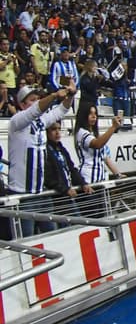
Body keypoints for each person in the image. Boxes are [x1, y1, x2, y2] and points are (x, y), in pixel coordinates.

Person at [6, 85, 76, 238]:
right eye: (32, 100)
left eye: (38, 98)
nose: (37, 101)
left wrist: (71, 94)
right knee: (27, 241)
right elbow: (35, 110)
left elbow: (61, 110)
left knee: (52, 236)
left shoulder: (40, 122)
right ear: (22, 105)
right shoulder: (17, 121)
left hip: (42, 193)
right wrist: (54, 96)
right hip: (23, 196)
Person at [44, 121, 91, 227]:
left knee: (78, 225)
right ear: (46, 132)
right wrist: (65, 189)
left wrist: (83, 183)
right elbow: (48, 177)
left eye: (59, 129)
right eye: (53, 129)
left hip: (67, 196)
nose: (57, 132)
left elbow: (72, 169)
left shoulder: (61, 148)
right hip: (57, 199)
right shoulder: (45, 151)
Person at [73, 103, 124, 184]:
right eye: (90, 114)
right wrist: (113, 127)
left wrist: (118, 174)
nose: (94, 116)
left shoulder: (95, 134)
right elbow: (97, 144)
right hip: (88, 180)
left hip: (100, 180)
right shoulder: (81, 133)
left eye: (95, 114)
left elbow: (105, 157)